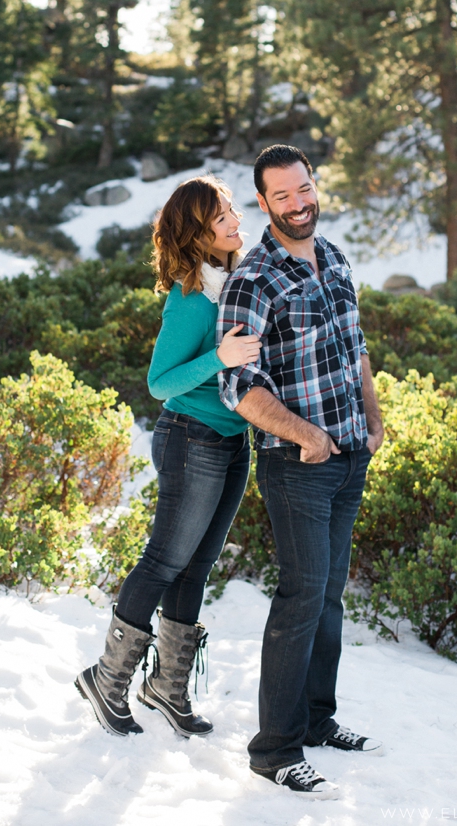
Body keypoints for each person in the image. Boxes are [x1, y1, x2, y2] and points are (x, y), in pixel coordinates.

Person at [217, 145, 385, 800]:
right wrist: (307, 435)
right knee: (300, 598)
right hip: (298, 465)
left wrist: (373, 418)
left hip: (350, 460)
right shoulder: (253, 279)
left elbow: (357, 344)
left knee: (329, 597)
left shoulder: (336, 258)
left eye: (304, 188)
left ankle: (317, 721)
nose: (298, 203)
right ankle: (275, 750)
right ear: (264, 203)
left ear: (316, 187)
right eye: (282, 195)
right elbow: (239, 386)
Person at [76, 176, 261, 739]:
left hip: (232, 440)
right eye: (218, 216)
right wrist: (219, 355)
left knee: (196, 566)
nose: (232, 219)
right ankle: (107, 680)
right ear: (197, 234)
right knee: (164, 560)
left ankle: (167, 687)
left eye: (230, 209)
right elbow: (160, 382)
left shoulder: (235, 280)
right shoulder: (189, 298)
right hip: (191, 437)